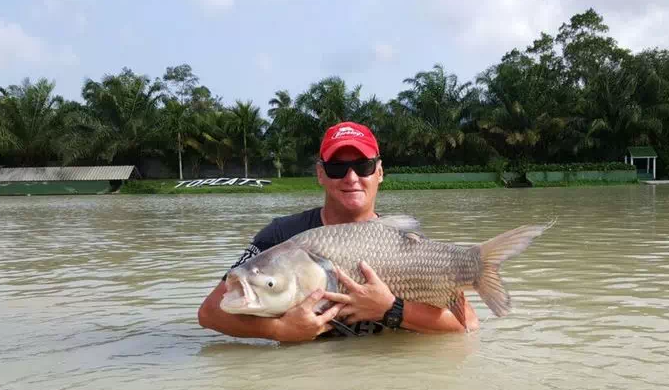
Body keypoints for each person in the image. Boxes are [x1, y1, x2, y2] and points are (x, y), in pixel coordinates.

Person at [197, 121, 479, 342]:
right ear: (320, 173)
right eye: (337, 168)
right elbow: (210, 314)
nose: (351, 178)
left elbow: (466, 325)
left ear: (379, 172)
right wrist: (279, 330)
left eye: (363, 166)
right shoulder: (281, 235)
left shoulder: (409, 246)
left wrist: (392, 310)